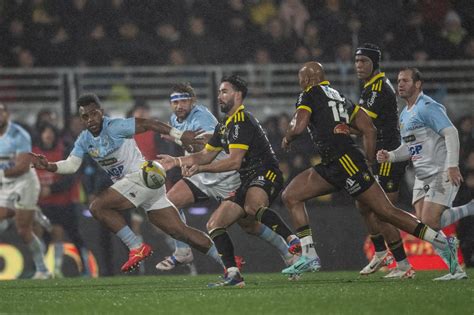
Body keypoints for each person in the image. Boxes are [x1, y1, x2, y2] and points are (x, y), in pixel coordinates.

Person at [279, 61, 459, 276]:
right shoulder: (338, 95)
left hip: (344, 162)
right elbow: (369, 128)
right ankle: (309, 255)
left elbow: (298, 127)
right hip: (336, 162)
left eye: (301, 79)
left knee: (386, 212)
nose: (300, 83)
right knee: (291, 195)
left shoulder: (308, 93)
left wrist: (288, 136)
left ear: (306, 79)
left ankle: (440, 242)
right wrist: (369, 159)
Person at [30, 93, 224, 273]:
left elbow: (149, 124)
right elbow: (71, 165)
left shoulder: (116, 126)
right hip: (144, 185)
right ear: (81, 119)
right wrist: (49, 166)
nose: (91, 120)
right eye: (85, 117)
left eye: (94, 114)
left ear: (101, 112)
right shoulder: (84, 140)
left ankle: (136, 246)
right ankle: (229, 261)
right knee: (181, 231)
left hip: (141, 176)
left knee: (97, 207)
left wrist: (180, 136)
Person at [158, 75, 299, 287]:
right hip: (203, 177)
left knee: (250, 224)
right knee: (169, 204)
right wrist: (177, 161)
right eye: (175, 102)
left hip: (228, 176)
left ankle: (290, 251)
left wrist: (180, 141)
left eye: (183, 101)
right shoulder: (188, 121)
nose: (179, 106)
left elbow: (203, 147)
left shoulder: (204, 116)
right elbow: (205, 153)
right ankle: (186, 252)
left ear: (192, 101)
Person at [377, 67, 474, 280]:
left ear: (418, 84)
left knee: (429, 223)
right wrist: (391, 156)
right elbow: (408, 147)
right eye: (398, 81)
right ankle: (455, 270)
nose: (400, 84)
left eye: (405, 80)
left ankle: (469, 211)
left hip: (440, 171)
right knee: (422, 225)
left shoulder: (428, 106)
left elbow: (451, 132)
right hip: (422, 175)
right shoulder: (405, 114)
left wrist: (452, 165)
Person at [354, 43, 414, 279]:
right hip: (379, 156)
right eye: (357, 61)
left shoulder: (378, 88)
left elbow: (361, 123)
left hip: (389, 155)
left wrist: (338, 126)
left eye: (363, 61)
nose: (359, 65)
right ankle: (381, 253)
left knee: (383, 211)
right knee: (363, 204)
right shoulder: (370, 86)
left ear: (374, 63)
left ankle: (403, 264)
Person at [33, 123, 91, 278]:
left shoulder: (64, 151)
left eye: (51, 131)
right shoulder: (33, 153)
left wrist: (51, 189)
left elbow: (71, 176)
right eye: (45, 131)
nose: (48, 134)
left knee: (74, 236)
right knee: (40, 235)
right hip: (42, 204)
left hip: (64, 203)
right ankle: (41, 269)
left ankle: (83, 268)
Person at [0, 102, 51, 279]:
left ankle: (43, 269)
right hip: (5, 184)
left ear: (7, 114)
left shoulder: (19, 134)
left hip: (24, 183)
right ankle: (29, 212)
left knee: (23, 229)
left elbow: (22, 166)